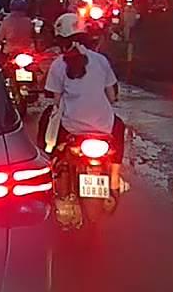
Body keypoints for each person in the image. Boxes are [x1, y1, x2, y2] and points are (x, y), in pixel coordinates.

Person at [41, 13, 126, 193]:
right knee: (119, 126)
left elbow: (56, 101)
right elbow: (112, 97)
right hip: (104, 126)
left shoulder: (58, 64)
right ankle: (115, 176)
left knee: (46, 122)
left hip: (72, 127)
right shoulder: (101, 60)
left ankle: (50, 166)